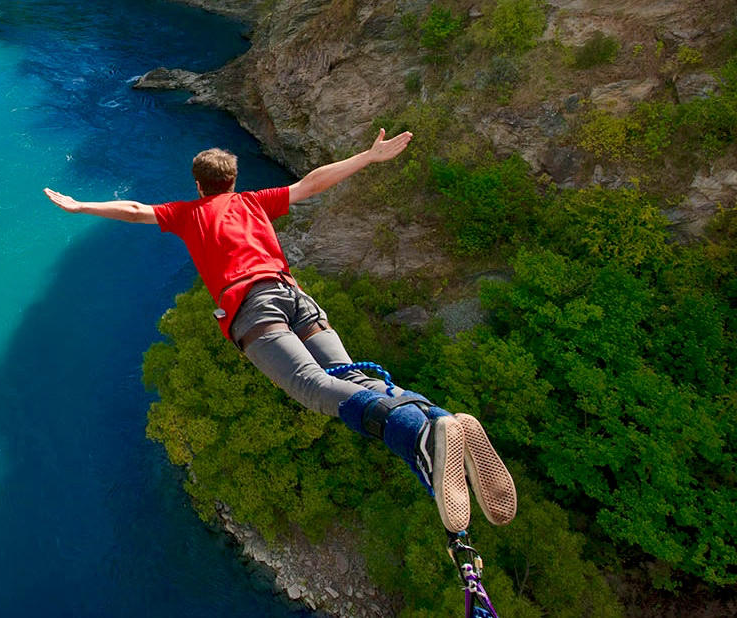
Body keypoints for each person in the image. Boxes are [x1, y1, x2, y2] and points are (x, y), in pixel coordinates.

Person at [43, 129, 516, 533]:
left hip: (251, 305)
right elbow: (312, 184)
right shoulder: (254, 202)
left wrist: (80, 206)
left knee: (312, 387)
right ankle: (435, 418)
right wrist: (369, 157)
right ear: (233, 179)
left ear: (198, 184)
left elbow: (133, 208)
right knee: (350, 377)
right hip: (295, 296)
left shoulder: (188, 213)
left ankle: (417, 435)